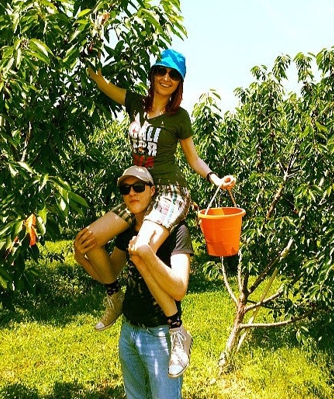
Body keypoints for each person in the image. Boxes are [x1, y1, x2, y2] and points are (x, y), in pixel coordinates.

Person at [79, 48, 235, 367]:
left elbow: (192, 158)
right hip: (139, 189)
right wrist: (91, 54)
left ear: (179, 83)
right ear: (153, 74)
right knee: (87, 240)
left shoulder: (180, 118)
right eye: (161, 71)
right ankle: (114, 295)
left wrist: (215, 178)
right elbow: (101, 82)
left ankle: (177, 331)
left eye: (173, 75)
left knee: (140, 250)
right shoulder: (135, 103)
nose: (166, 78)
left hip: (169, 192)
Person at [74, 165, 194, 394]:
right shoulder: (126, 231)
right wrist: (83, 259)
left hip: (161, 333)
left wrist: (147, 255)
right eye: (125, 188)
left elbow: (179, 289)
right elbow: (108, 274)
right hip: (129, 331)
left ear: (152, 191)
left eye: (138, 187)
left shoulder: (177, 231)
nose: (131, 193)